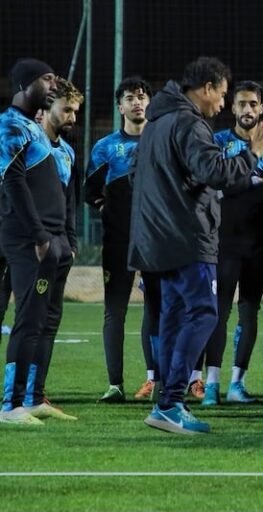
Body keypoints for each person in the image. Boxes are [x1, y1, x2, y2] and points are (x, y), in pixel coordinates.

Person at [129, 56, 263, 434]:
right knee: (205, 313)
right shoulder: (189, 123)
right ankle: (172, 401)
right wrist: (252, 154)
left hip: (158, 240)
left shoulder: (156, 123)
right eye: (222, 95)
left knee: (174, 317)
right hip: (188, 239)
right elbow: (215, 172)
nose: (222, 104)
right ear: (206, 88)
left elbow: (134, 174)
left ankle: (165, 404)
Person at [198, 80, 263, 405]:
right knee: (217, 313)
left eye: (253, 104)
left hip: (259, 243)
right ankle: (211, 384)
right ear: (232, 107)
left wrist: (234, 183)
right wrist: (249, 180)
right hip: (223, 243)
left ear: (261, 108)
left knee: (249, 312)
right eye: (242, 104)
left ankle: (237, 384)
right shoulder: (217, 142)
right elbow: (212, 186)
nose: (248, 109)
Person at [86, 76, 156, 403]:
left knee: (155, 308)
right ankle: (115, 384)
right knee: (115, 311)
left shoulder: (160, 144)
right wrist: (110, 210)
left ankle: (154, 379)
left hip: (155, 241)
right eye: (130, 98)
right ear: (120, 107)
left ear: (149, 103)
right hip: (117, 242)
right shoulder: (105, 147)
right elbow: (89, 192)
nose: (137, 102)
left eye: (141, 97)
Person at [0, 58, 62, 425]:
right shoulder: (10, 125)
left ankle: (31, 398)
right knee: (26, 318)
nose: (54, 86)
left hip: (46, 238)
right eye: (47, 79)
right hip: (28, 239)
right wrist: (39, 235)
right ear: (25, 84)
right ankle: (10, 405)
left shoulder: (31, 126)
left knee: (38, 319)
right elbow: (13, 181)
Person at [19, 76, 82, 421]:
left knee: (50, 322)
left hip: (59, 247)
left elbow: (70, 203)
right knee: (30, 320)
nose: (73, 117)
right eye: (67, 109)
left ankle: (35, 395)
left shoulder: (68, 152)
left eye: (76, 111)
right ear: (46, 109)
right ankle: (15, 398)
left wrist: (71, 243)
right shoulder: (29, 146)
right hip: (34, 244)